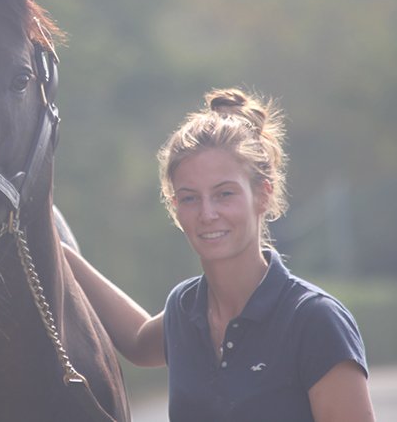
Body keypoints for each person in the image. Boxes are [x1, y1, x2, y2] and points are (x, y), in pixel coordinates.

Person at [64, 87, 375, 422]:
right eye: (189, 198)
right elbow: (138, 342)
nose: (207, 213)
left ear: (263, 194)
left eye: (224, 194)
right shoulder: (184, 308)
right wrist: (54, 243)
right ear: (175, 208)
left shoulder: (315, 321)